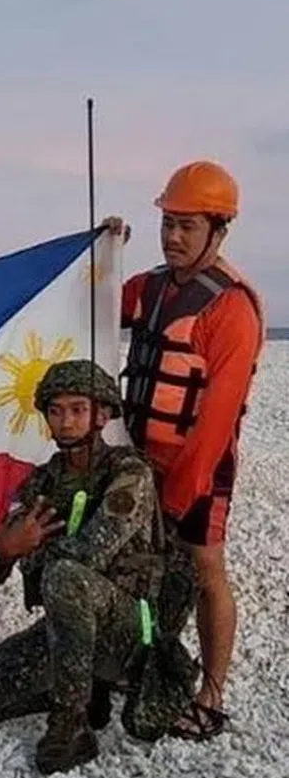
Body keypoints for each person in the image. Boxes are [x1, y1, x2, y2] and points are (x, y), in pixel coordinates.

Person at [0, 360, 194, 774]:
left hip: (128, 634)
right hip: (67, 631)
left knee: (65, 575)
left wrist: (21, 545)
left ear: (102, 415)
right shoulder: (42, 482)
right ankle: (78, 687)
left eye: (77, 409)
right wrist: (6, 551)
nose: (66, 421)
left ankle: (70, 727)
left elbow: (91, 553)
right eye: (56, 411)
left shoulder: (129, 473)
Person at [104, 159, 264, 741]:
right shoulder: (148, 288)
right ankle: (133, 661)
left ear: (219, 229)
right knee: (136, 566)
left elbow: (215, 422)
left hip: (198, 464)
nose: (172, 236)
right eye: (167, 222)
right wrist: (103, 252)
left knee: (203, 567)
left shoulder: (231, 309)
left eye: (187, 225)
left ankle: (211, 693)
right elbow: (93, 304)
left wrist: (177, 494)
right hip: (138, 457)